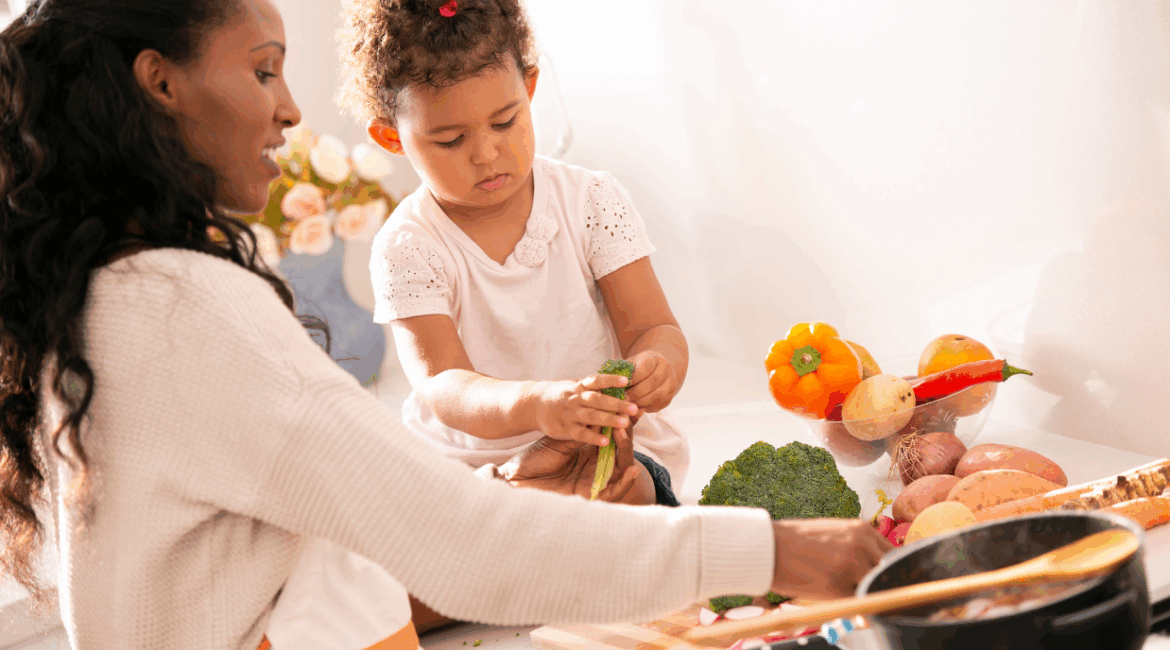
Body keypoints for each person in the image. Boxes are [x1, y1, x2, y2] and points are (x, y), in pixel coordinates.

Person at [0, 1, 893, 650]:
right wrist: (773, 548)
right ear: (160, 84)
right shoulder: (188, 311)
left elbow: (335, 526)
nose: (290, 110)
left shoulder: (110, 292)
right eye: (265, 68)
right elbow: (454, 532)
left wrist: (509, 484)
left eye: (505, 121)